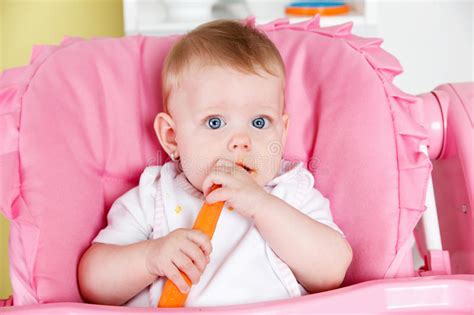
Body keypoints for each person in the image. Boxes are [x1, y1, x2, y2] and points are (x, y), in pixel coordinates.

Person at [78, 19, 352, 307]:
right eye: (215, 121)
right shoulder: (154, 195)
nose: (241, 141)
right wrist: (149, 258)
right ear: (172, 137)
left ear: (282, 134)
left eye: (260, 122)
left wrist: (261, 205)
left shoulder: (290, 192)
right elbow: (94, 283)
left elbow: (332, 272)